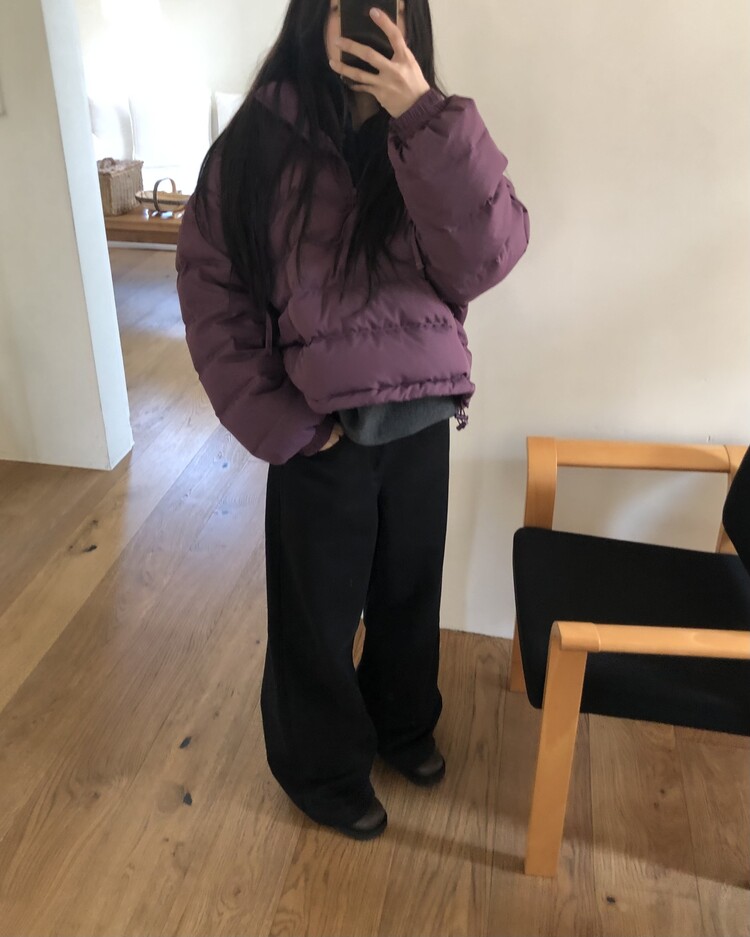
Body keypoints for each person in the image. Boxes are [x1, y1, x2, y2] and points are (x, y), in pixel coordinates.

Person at [175, 0, 530, 841]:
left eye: (388, 4)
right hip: (318, 425)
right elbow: (211, 289)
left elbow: (487, 256)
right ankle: (321, 767)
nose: (368, 18)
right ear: (312, 14)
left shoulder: (431, 132)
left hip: (421, 410)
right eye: (345, 3)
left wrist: (424, 118)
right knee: (317, 613)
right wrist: (280, 422)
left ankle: (402, 725)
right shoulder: (255, 145)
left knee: (409, 592)